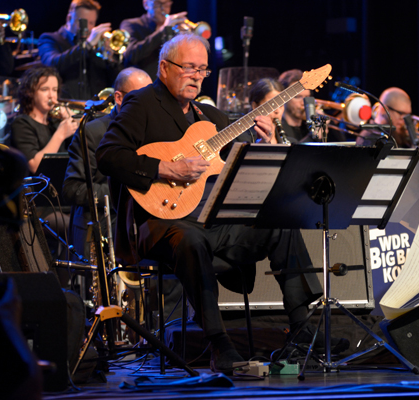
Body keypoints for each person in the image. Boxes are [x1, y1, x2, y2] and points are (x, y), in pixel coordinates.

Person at [96, 33, 348, 373]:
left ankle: (304, 329)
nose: (198, 76)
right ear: (164, 68)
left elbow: (250, 167)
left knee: (278, 224)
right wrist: (167, 167)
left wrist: (269, 140)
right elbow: (109, 156)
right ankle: (219, 343)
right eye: (189, 68)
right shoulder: (141, 103)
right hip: (158, 223)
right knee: (191, 239)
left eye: (202, 69)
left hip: (208, 220)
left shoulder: (210, 115)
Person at [63, 67, 152, 261]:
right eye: (139, 98)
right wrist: (124, 193)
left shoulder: (152, 131)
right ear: (118, 98)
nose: (146, 105)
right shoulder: (91, 132)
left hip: (142, 230)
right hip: (100, 233)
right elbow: (73, 188)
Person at [38, 0, 119, 100]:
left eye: (91, 23)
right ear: (69, 18)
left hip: (96, 110)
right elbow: (51, 65)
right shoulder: (49, 39)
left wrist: (110, 58)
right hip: (66, 107)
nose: (89, 28)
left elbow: (116, 80)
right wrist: (87, 45)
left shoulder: (95, 47)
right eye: (83, 22)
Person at [10, 65, 78, 174]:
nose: (51, 96)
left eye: (55, 90)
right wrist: (60, 134)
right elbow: (35, 166)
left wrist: (75, 122)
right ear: (30, 92)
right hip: (36, 188)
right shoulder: (21, 123)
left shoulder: (56, 123)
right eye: (44, 89)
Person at [120, 0, 188, 80]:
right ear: (146, 4)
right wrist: (163, 30)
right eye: (158, 3)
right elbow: (131, 55)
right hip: (140, 85)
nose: (163, 9)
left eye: (167, 4)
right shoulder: (130, 24)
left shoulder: (173, 29)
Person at [237, 78, 294, 144]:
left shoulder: (291, 141)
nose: (277, 111)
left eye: (281, 105)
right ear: (255, 106)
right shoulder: (241, 139)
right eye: (271, 105)